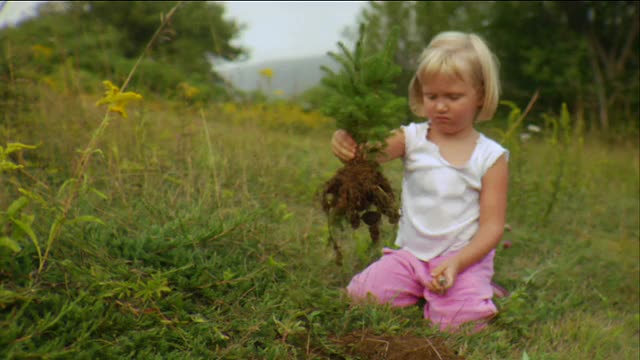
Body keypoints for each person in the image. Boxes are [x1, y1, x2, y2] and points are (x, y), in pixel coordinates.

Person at [331, 31, 508, 333]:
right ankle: (421, 287)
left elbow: (492, 227)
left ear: (479, 94)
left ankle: (476, 285)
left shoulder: (490, 157)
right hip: (411, 256)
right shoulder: (412, 138)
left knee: (460, 325)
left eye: (453, 97)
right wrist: (344, 141)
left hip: (461, 259)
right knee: (362, 296)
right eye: (432, 96)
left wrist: (457, 263)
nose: (440, 106)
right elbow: (366, 154)